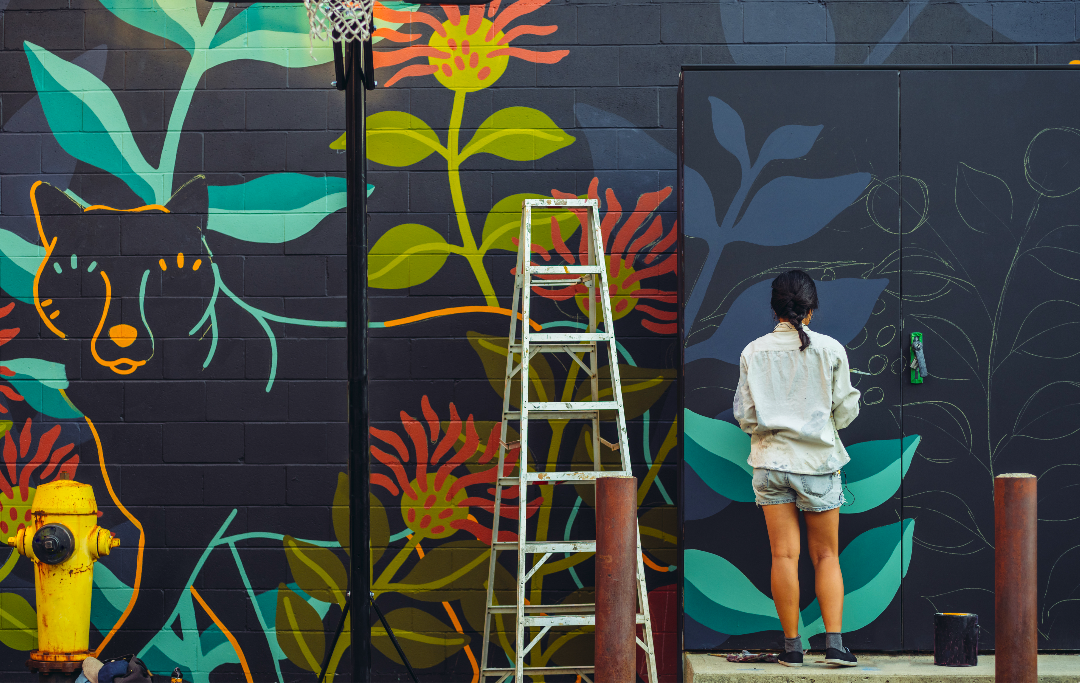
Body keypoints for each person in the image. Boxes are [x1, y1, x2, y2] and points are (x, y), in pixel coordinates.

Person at [733, 270, 861, 668]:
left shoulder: (754, 351)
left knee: (783, 557)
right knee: (826, 556)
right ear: (811, 309)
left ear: (774, 308)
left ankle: (793, 649)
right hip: (818, 464)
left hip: (770, 463)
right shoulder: (830, 350)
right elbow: (846, 410)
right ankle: (835, 646)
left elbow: (745, 416)